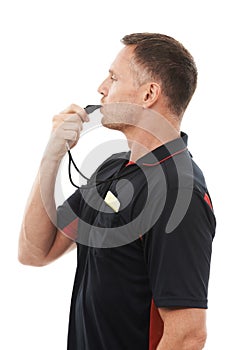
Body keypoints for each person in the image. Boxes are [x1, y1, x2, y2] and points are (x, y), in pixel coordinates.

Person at [18, 33, 216, 350]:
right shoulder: (113, 168)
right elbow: (35, 252)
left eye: (114, 77)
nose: (101, 88)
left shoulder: (179, 191)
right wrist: (52, 154)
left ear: (148, 93)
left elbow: (188, 335)